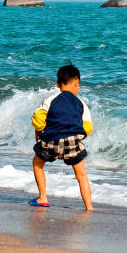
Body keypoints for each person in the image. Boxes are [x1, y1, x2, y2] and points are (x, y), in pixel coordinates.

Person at [29, 64, 94, 210]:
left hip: (50, 142)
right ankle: (89, 207)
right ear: (77, 83)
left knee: (37, 163)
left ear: (58, 84)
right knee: (81, 175)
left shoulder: (50, 100)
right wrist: (77, 137)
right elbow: (88, 128)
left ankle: (43, 198)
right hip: (72, 143)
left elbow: (38, 118)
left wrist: (38, 131)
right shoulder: (81, 103)